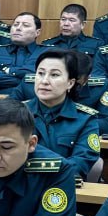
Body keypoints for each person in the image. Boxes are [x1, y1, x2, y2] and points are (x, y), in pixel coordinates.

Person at [22, 49, 100, 183]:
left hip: (61, 186)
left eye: (54, 75)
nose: (44, 81)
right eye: (40, 73)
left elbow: (81, 163)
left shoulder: (86, 119)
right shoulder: (16, 112)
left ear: (70, 83)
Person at [0, 12, 42, 92]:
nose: (18, 28)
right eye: (15, 25)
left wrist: (9, 70)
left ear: (37, 32)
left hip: (32, 98)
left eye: (25, 25)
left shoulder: (46, 53)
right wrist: (25, 80)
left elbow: (43, 77)